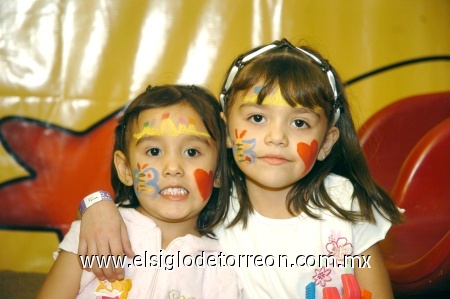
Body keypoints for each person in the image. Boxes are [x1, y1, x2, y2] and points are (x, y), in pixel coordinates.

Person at [76, 39, 404, 298]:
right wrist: (97, 204)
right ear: (227, 133)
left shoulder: (343, 201)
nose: (277, 137)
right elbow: (151, 206)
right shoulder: (215, 199)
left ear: (328, 142)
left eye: (300, 122)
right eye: (257, 118)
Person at [37, 84, 242, 299]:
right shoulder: (94, 234)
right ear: (125, 169)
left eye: (192, 151)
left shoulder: (226, 267)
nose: (173, 168)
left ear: (219, 172)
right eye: (154, 151)